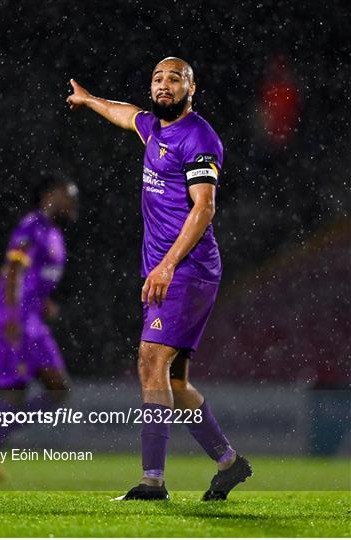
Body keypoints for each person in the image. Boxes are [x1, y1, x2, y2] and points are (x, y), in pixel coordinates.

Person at [67, 57, 252, 500]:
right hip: (167, 271)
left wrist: (167, 265)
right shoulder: (154, 128)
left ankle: (153, 481)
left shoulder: (199, 137)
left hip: (187, 270)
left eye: (175, 78)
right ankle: (230, 463)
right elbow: (125, 113)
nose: (164, 84)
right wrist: (91, 100)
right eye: (157, 78)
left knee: (150, 360)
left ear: (193, 87)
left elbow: (204, 207)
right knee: (174, 381)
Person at [0, 174, 79, 481]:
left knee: (59, 389)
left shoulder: (55, 235)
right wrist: (13, 317)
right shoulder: (32, 225)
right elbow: (14, 269)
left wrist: (42, 302)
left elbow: (34, 277)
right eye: (67, 194)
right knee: (16, 390)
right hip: (11, 319)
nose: (71, 201)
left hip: (31, 321)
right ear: (49, 195)